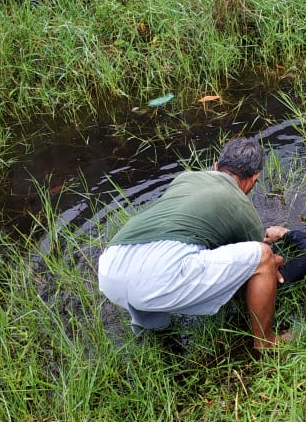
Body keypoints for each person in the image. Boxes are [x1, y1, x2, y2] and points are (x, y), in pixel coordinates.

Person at [98, 137, 287, 350]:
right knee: (262, 256)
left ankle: (154, 333)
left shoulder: (185, 178)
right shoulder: (243, 207)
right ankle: (265, 341)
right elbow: (253, 267)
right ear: (255, 178)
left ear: (216, 166)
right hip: (158, 276)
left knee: (162, 268)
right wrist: (274, 261)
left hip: (111, 267)